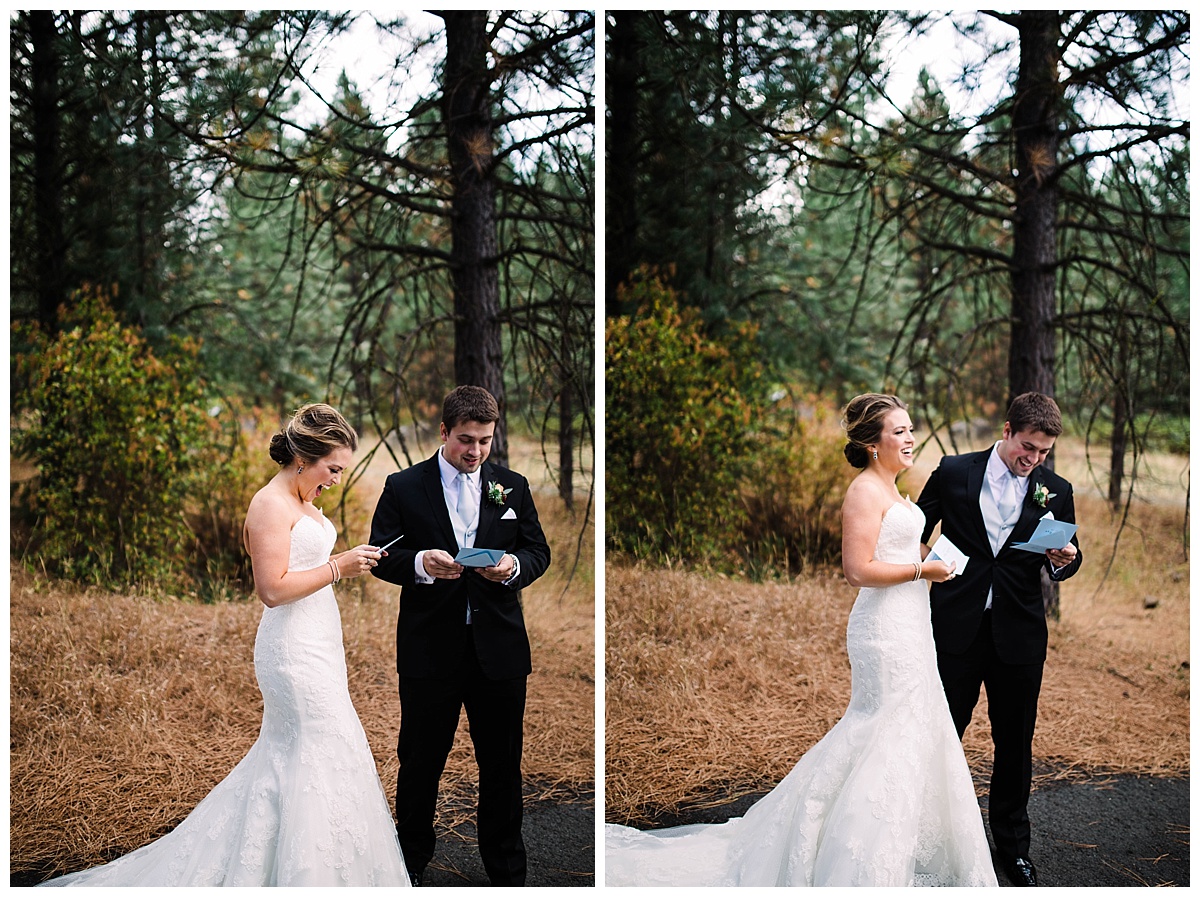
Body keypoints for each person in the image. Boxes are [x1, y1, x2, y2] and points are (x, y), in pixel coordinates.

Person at [604, 394, 998, 887]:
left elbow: (897, 547)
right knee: (882, 727)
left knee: (910, 726)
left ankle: (896, 848)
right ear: (874, 444)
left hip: (915, 623)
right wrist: (924, 569)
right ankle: (851, 855)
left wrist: (940, 560)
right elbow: (857, 570)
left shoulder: (897, 492)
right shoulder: (863, 492)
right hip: (883, 630)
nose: (910, 437)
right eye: (899, 431)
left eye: (910, 428)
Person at [40, 403, 411, 887]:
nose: (337, 479)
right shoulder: (269, 505)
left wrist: (346, 561)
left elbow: (305, 569)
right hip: (292, 655)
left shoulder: (305, 501)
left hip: (321, 645)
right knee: (315, 750)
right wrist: (340, 566)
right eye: (333, 468)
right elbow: (273, 590)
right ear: (304, 456)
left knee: (317, 754)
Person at [368, 385, 551, 887]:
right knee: (420, 765)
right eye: (466, 440)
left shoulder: (511, 486)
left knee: (502, 768)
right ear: (444, 431)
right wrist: (422, 565)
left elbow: (538, 552)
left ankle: (508, 873)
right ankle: (408, 868)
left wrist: (512, 566)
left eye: (485, 441)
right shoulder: (403, 487)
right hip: (431, 652)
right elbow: (382, 555)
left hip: (501, 653)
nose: (475, 451)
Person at [917, 392, 1082, 887]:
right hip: (956, 628)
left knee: (1015, 744)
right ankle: (922, 837)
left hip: (1021, 636)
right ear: (1007, 430)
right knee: (941, 736)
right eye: (1028, 447)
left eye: (1044, 453)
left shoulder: (1055, 488)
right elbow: (913, 529)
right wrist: (932, 562)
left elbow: (1070, 557)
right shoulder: (952, 471)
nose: (1033, 460)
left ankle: (1012, 849)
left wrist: (1066, 560)